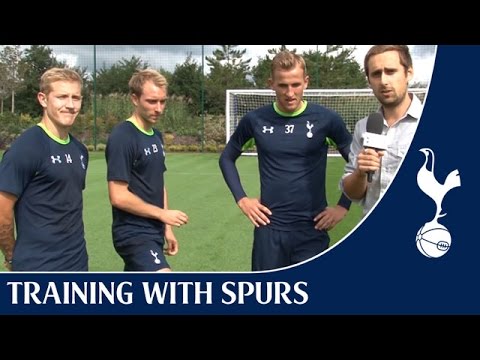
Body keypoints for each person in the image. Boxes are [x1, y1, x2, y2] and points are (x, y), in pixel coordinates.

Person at [219, 50, 352, 271]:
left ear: (306, 82)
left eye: (296, 84)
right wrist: (242, 199)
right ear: (271, 83)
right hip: (269, 229)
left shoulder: (326, 120)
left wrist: (342, 207)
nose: (290, 93)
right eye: (282, 85)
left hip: (312, 229)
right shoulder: (255, 120)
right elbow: (226, 158)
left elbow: (357, 163)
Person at [0, 67, 88, 271]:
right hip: (38, 267)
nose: (70, 105)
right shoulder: (26, 148)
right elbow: (2, 211)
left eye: (76, 98)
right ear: (43, 99)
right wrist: (12, 255)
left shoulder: (79, 150)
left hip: (77, 263)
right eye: (62, 97)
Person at [105, 69, 188, 272]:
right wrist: (162, 214)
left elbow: (159, 184)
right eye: (152, 101)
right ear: (135, 99)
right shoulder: (123, 136)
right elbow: (118, 196)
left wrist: (166, 228)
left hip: (154, 230)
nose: (158, 108)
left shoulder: (155, 135)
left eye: (162, 101)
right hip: (133, 233)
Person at [340, 45, 423, 217]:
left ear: (408, 73)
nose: (384, 81)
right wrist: (360, 173)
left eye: (391, 71)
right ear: (369, 80)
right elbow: (353, 193)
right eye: (376, 74)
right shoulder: (363, 127)